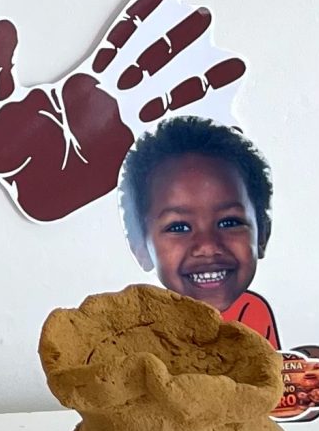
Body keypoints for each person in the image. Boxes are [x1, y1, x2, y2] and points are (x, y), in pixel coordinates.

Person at [119, 117, 279, 347]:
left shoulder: (251, 310)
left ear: (262, 233)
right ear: (141, 249)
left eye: (229, 222)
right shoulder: (140, 332)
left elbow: (266, 368)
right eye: (179, 227)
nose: (208, 246)